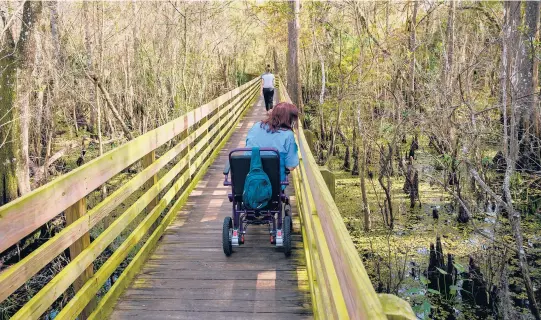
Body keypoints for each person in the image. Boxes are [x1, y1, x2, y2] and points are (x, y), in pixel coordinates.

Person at [246, 102, 299, 190]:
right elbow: (291, 166)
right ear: (289, 119)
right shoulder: (288, 135)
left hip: (250, 181)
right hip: (274, 185)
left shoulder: (256, 126)